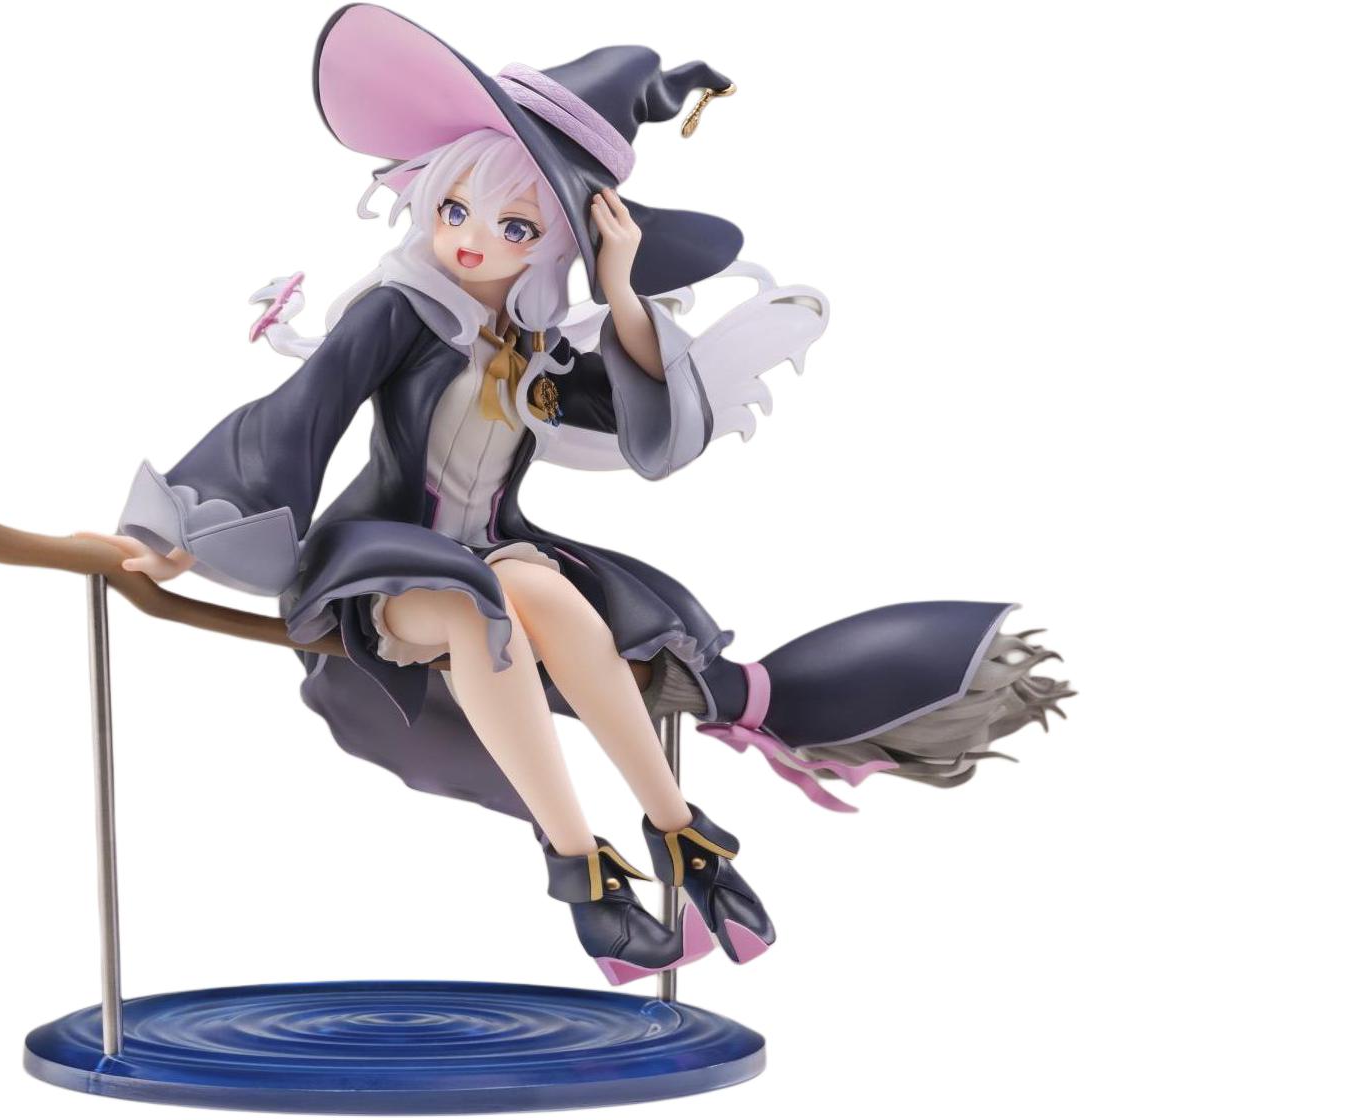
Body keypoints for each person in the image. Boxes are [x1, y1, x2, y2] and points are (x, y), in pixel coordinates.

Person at [76, 4, 1070, 984]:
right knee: (484, 600)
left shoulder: (536, 344)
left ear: (554, 246)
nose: (473, 241)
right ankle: (581, 865)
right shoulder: (398, 312)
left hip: (496, 557)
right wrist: (183, 529)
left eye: (513, 225)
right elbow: (297, 413)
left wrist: (622, 289)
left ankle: (679, 836)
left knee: (534, 588)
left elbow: (652, 429)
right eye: (456, 209)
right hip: (379, 566)